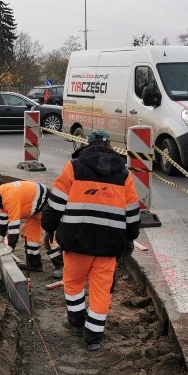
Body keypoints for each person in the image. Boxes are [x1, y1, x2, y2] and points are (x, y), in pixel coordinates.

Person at [41, 130, 140, 352]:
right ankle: (94, 336)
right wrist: (131, 237)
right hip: (109, 243)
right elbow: (132, 211)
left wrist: (49, 226)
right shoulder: (124, 173)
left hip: (76, 240)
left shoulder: (74, 167)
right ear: (110, 147)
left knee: (74, 282)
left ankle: (76, 321)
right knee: (101, 289)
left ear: (87, 145)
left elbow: (56, 202)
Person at [0, 181, 63, 278]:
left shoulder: (10, 199)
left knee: (47, 238)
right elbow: (3, 217)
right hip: (33, 210)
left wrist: (10, 247)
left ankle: (61, 266)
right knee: (29, 237)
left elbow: (14, 225)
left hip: (45, 206)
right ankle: (35, 264)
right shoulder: (0, 196)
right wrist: (1, 236)